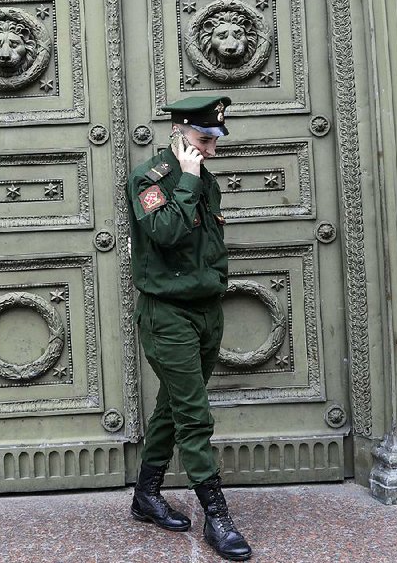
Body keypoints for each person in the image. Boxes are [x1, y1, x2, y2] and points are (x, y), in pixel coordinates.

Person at [125, 95, 252, 561]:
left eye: (217, 139)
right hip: (167, 315)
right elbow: (165, 235)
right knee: (195, 414)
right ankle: (217, 517)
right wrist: (190, 179)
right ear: (179, 134)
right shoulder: (149, 179)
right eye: (204, 140)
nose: (213, 148)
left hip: (205, 311)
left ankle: (146, 494)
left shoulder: (205, 177)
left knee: (173, 406)